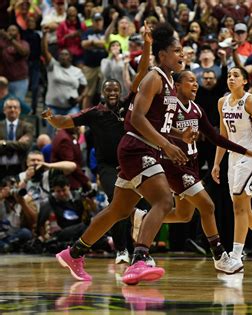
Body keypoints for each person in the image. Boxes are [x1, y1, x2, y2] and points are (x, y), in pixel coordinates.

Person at [53, 23, 191, 285]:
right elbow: (137, 119)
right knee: (164, 202)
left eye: (182, 50)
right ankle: (139, 260)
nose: (182, 55)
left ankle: (74, 253)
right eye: (177, 50)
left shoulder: (170, 81)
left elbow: (156, 122)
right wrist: (167, 145)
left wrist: (177, 136)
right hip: (136, 147)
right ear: (162, 55)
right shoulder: (154, 77)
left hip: (141, 148)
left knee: (118, 210)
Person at [44, 25, 154, 265]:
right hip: (106, 165)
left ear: (120, 91)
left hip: (131, 163)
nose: (113, 93)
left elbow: (143, 71)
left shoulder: (128, 103)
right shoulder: (95, 112)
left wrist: (147, 45)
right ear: (103, 93)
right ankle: (121, 250)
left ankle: (141, 252)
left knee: (139, 206)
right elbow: (67, 120)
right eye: (109, 90)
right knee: (116, 204)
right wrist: (53, 119)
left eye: (116, 90)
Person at [157, 69, 252, 270]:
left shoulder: (196, 109)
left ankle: (143, 218)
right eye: (190, 81)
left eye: (196, 81)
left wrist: (245, 151)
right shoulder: (169, 105)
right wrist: (180, 136)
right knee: (208, 206)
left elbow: (216, 137)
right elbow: (158, 129)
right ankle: (220, 256)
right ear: (177, 86)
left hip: (191, 164)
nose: (195, 84)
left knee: (183, 215)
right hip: (174, 165)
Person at [211, 66, 252, 275]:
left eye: (236, 76)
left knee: (239, 204)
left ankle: (236, 256)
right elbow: (222, 137)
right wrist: (216, 163)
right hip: (234, 158)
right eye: (229, 75)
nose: (231, 78)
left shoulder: (251, 102)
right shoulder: (222, 102)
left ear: (244, 81)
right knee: (244, 210)